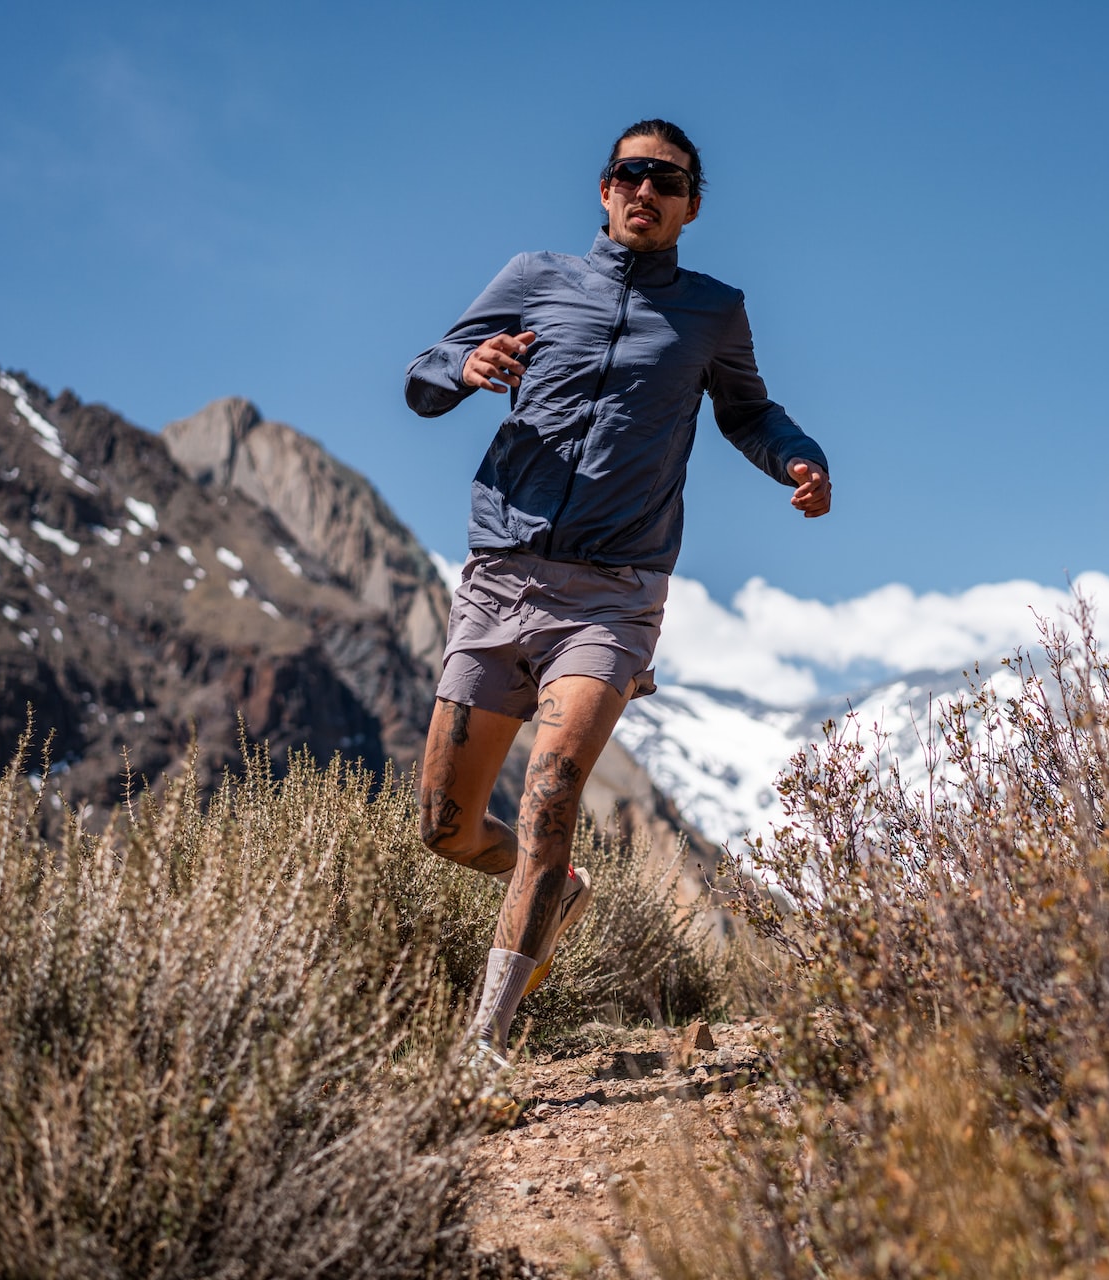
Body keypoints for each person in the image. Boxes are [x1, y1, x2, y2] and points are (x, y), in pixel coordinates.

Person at [404, 118, 831, 1122]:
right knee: (444, 826)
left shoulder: (712, 311)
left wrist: (798, 457)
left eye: (668, 180)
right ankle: (559, 886)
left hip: (615, 592)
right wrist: (464, 369)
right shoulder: (535, 276)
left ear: (691, 203)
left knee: (553, 790)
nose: (647, 190)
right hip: (502, 578)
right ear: (604, 190)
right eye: (631, 174)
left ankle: (484, 1051)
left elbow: (747, 411)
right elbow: (427, 371)